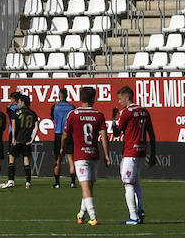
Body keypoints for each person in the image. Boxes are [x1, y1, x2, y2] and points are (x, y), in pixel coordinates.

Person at [56, 85, 107, 226]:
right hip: (94, 155)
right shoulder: (99, 114)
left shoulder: (73, 114)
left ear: (81, 98)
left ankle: (93, 217)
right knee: (88, 187)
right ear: (93, 98)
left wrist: (62, 148)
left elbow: (65, 135)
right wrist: (107, 155)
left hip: (80, 156)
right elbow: (104, 136)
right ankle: (81, 214)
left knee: (85, 187)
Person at [113, 85, 157, 225]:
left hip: (130, 151)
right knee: (136, 181)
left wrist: (114, 119)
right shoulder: (144, 111)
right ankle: (141, 210)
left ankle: (133, 216)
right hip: (142, 151)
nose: (119, 102)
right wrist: (153, 152)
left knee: (128, 184)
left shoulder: (126, 112)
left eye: (120, 99)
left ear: (127, 97)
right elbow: (151, 133)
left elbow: (116, 133)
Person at [6, 92, 38, 188]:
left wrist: (13, 138)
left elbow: (14, 125)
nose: (18, 103)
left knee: (12, 158)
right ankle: (28, 182)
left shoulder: (16, 112)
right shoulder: (33, 113)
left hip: (18, 139)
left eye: (19, 102)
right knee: (26, 159)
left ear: (23, 102)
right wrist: (32, 139)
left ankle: (11, 180)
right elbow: (36, 127)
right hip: (27, 140)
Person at [52, 95, 77, 188]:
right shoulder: (71, 107)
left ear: (59, 96)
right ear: (67, 96)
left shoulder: (55, 106)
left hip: (58, 133)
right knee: (71, 160)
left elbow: (52, 117)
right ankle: (73, 183)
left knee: (58, 159)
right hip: (69, 133)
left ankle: (57, 183)